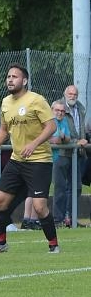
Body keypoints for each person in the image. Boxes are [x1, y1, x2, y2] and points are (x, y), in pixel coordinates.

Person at [0, 63, 59, 254]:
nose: (10, 79)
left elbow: (51, 127)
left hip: (39, 161)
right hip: (17, 161)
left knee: (39, 207)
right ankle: (0, 243)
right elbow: (3, 130)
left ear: (24, 81)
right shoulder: (6, 102)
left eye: (14, 77)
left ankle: (53, 244)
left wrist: (34, 144)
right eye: (8, 76)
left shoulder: (36, 100)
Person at [56, 85, 87, 227]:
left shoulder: (80, 108)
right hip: (62, 153)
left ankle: (70, 218)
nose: (72, 96)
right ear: (65, 94)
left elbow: (81, 129)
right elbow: (58, 129)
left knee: (77, 187)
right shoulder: (58, 106)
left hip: (77, 153)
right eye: (70, 93)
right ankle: (59, 219)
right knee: (60, 187)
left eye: (75, 94)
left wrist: (83, 142)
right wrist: (76, 141)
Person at [49, 100, 71, 227]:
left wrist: (61, 138)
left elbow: (66, 139)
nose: (60, 113)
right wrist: (60, 139)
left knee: (60, 189)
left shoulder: (64, 122)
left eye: (62, 111)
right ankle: (56, 219)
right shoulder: (48, 121)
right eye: (57, 110)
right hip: (46, 159)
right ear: (52, 110)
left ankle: (59, 219)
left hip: (58, 159)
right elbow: (51, 139)